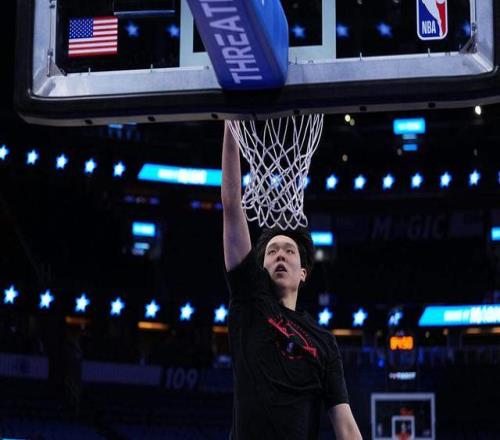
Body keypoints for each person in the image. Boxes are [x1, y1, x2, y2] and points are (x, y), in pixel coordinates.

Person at [221, 122, 362, 439]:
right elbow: (231, 205)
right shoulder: (250, 301)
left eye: (289, 251)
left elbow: (345, 424)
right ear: (260, 267)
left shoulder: (324, 342)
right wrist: (232, 125)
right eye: (272, 252)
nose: (280, 255)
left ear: (303, 273)